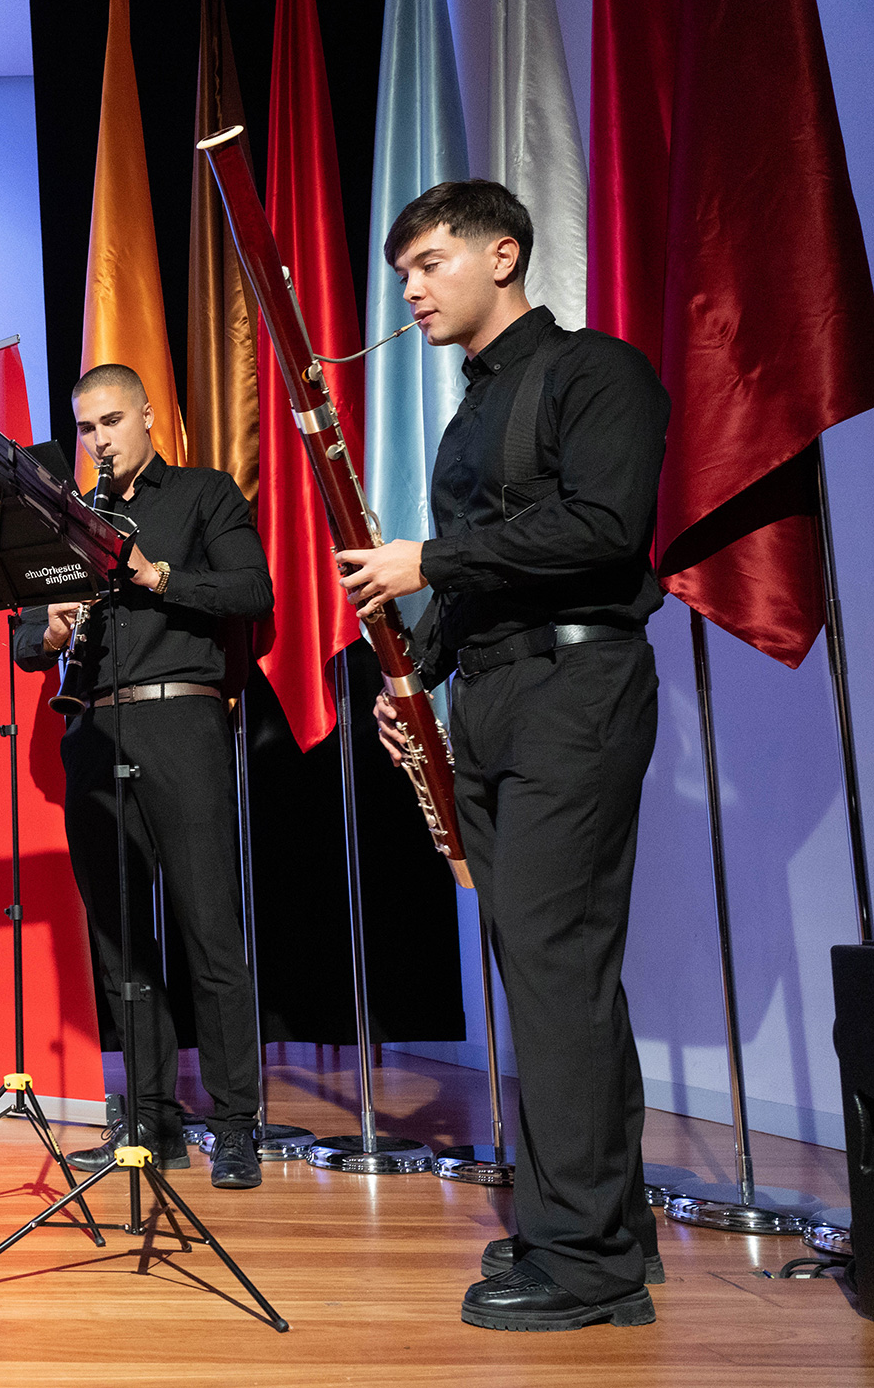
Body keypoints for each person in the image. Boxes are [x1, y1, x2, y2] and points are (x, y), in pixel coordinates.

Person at [338, 180, 668, 1333]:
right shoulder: (469, 414)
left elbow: (603, 529)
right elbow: (478, 572)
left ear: (501, 254)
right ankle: (606, 1227)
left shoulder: (595, 371)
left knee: (552, 967)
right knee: (551, 972)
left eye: (428, 263)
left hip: (573, 688)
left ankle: (581, 1264)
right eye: (403, 275)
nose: (411, 291)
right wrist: (416, 682)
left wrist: (425, 560)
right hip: (492, 698)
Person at [13, 364, 274, 1190]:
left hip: (181, 721)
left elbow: (253, 589)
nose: (98, 440)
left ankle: (234, 1126)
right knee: (120, 939)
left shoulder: (202, 494)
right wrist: (51, 633)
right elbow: (22, 643)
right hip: (93, 728)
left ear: (149, 416)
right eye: (86, 428)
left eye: (112, 422)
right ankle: (152, 1124)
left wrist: (158, 576)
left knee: (209, 930)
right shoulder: (66, 517)